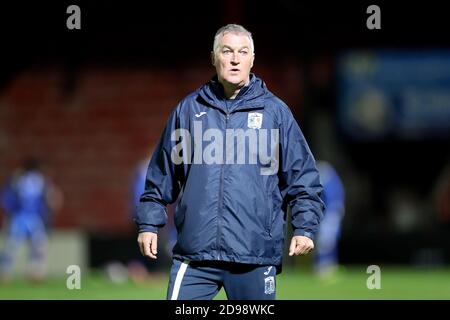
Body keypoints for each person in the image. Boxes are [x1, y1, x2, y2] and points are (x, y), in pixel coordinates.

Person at [135, 24, 324, 300]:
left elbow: (303, 179)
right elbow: (161, 173)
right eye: (227, 51)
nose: (235, 59)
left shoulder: (276, 113)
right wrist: (149, 224)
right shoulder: (188, 110)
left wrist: (305, 227)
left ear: (252, 59)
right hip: (195, 256)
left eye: (242, 52)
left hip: (254, 255)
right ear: (214, 58)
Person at [0, 157, 62, 282]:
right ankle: (35, 272)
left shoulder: (16, 179)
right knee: (38, 244)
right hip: (34, 217)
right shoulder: (42, 180)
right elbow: (51, 199)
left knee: (12, 245)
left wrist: (9, 213)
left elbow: (6, 199)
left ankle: (4, 272)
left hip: (19, 217)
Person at [314, 160, 345, 280]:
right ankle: (323, 267)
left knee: (327, 241)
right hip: (327, 214)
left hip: (331, 214)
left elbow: (334, 199)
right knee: (324, 241)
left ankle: (327, 266)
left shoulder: (329, 177)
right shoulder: (330, 178)